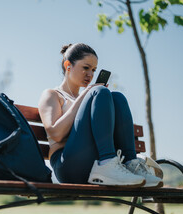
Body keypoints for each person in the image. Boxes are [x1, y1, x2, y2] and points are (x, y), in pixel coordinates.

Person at [38, 43, 162, 187]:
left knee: (117, 98)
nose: (90, 75)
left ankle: (130, 164)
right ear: (68, 65)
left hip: (92, 164)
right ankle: (107, 163)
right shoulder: (52, 94)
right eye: (85, 68)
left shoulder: (88, 96)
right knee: (101, 92)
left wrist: (93, 97)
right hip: (68, 166)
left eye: (94, 70)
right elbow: (56, 134)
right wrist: (87, 94)